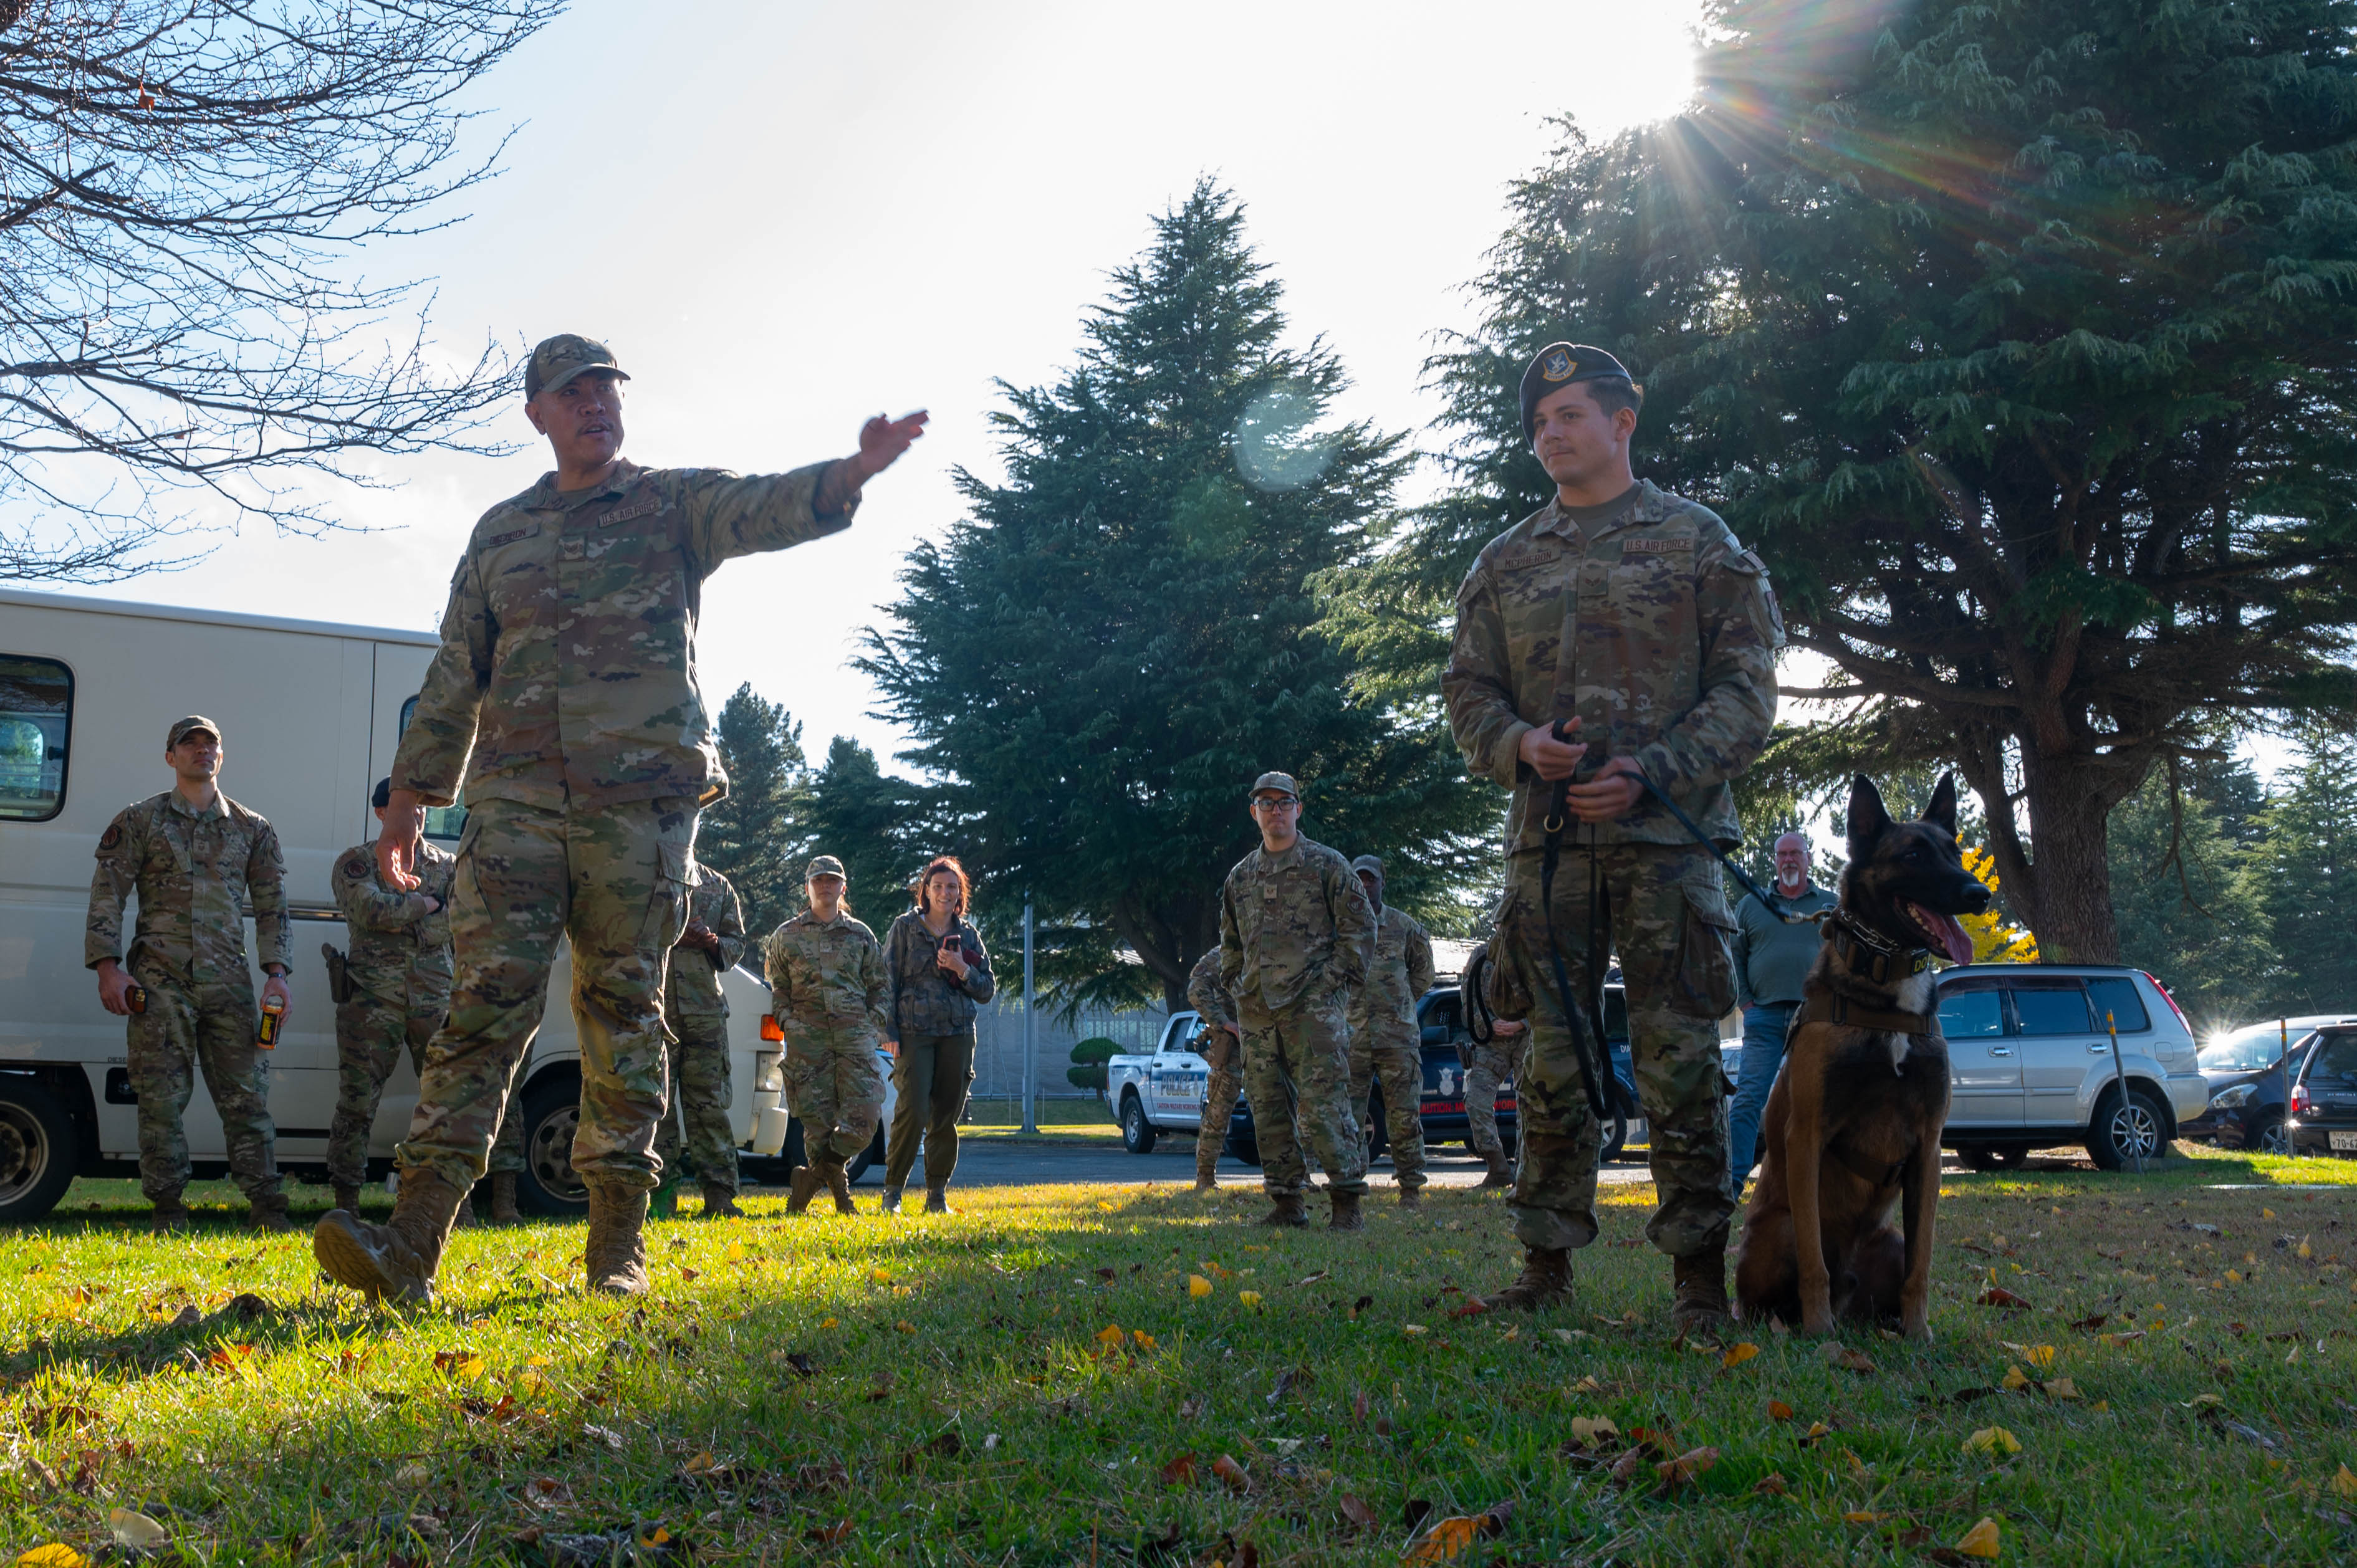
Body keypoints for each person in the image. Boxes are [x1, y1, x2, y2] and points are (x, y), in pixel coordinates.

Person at [314, 333, 926, 1301]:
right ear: (538, 414)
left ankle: (615, 1253)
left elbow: (757, 506)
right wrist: (407, 803)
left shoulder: (669, 503)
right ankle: (411, 1250)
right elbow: (452, 679)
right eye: (573, 390)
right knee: (477, 1017)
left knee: (621, 1017)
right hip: (512, 809)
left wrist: (843, 475)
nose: (595, 402)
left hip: (636, 816)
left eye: (606, 387)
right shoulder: (499, 533)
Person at [1442, 342, 1780, 1329]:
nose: (1549, 434)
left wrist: (1655, 769)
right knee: (1550, 1059)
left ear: (1623, 422)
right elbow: (1467, 692)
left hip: (1669, 850)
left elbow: (1749, 690)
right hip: (1545, 856)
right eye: (1539, 423)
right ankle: (1543, 1271)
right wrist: (1519, 746)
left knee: (1678, 1059)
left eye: (1570, 417)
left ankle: (1695, 1286)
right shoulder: (1506, 561)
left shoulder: (1697, 543)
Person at [85, 716, 293, 1231]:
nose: (202, 750)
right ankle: (168, 1211)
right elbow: (108, 893)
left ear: (221, 757)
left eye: (211, 744)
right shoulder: (141, 821)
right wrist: (108, 969)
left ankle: (267, 1208)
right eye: (190, 743)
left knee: (247, 1098)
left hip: (230, 985)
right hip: (160, 983)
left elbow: (272, 907)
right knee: (160, 1099)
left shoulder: (253, 828)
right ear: (171, 756)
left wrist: (277, 974)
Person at [1216, 772, 1376, 1231]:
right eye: (1265, 804)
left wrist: (1329, 985)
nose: (1275, 811)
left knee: (1325, 1106)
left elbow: (1360, 930)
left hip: (1313, 1010)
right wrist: (1235, 982)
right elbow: (1230, 940)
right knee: (1267, 1108)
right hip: (1257, 1010)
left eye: (1284, 802)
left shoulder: (1326, 865)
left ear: (1298, 809)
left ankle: (1347, 1204)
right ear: (1254, 813)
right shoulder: (1241, 876)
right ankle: (1287, 1203)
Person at [765, 855, 889, 1217]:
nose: (825, 885)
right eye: (818, 880)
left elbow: (879, 984)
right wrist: (788, 1020)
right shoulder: (786, 935)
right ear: (808, 887)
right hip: (808, 1039)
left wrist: (871, 1021)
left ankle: (810, 1180)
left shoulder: (861, 935)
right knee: (818, 1126)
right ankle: (840, 1199)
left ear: (843, 888)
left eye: (832, 880)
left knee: (865, 1119)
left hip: (855, 1037)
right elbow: (779, 986)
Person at [880, 856, 995, 1214]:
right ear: (926, 891)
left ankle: (936, 1195)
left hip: (958, 1036)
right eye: (938, 886)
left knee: (946, 1116)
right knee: (912, 1110)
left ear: (960, 893)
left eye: (952, 887)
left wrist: (962, 969)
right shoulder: (904, 929)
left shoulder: (970, 936)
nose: (945, 893)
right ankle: (893, 1193)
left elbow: (987, 989)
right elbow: (885, 982)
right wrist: (888, 1031)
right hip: (914, 1035)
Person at [1725, 831, 1836, 1196]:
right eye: (1782, 854)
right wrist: (1745, 1001)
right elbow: (1734, 956)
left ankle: (1822, 1184)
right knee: (1746, 1102)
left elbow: (1846, 959)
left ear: (1808, 858)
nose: (1789, 859)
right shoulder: (1751, 905)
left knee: (1821, 1103)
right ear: (1775, 860)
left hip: (1816, 1020)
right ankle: (1733, 1184)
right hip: (1765, 1019)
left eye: (1796, 853)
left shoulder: (1830, 906)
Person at [653, 865, 747, 1218]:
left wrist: (710, 942)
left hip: (705, 1012)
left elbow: (736, 942)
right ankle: (660, 1197)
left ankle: (720, 1197)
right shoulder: (652, 874)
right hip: (657, 1009)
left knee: (709, 1107)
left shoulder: (718, 885)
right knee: (657, 1105)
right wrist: (673, 934)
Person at [1346, 856, 1434, 1207]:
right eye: (1359, 880)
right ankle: (1350, 1183)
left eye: (1371, 880)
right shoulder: (1343, 927)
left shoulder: (1404, 927)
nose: (1365, 886)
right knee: (1348, 1116)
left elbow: (1423, 972)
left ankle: (1410, 1187)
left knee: (1403, 1116)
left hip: (1398, 1039)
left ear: (1383, 882)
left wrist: (1400, 1004)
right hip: (1353, 1037)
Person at [1185, 945, 1244, 1192]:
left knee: (1283, 1109)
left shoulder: (1276, 945)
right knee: (1217, 1112)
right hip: (1233, 1047)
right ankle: (1206, 1177)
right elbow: (1196, 988)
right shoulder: (1224, 953)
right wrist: (1225, 1023)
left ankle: (1294, 1179)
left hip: (1270, 1041)